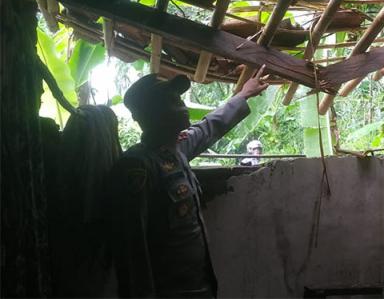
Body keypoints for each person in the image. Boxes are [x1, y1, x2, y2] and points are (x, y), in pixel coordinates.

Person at [108, 66, 268, 298]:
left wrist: (243, 94)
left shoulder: (176, 150)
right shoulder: (137, 166)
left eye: (178, 98)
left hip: (199, 286)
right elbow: (133, 250)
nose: (182, 105)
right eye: (171, 102)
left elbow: (210, 126)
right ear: (151, 114)